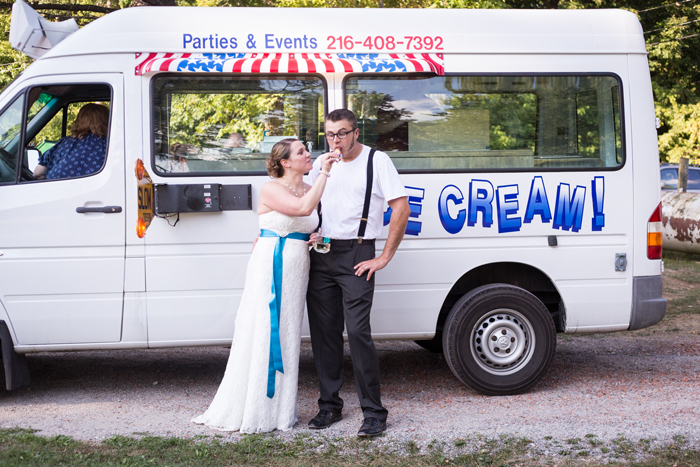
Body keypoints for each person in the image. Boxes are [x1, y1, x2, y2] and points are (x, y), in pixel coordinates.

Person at [192, 139, 337, 433]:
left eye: (308, 151)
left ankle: (281, 411)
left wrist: (319, 236)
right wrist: (325, 171)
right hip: (272, 265)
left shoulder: (311, 189)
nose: (309, 154)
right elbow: (301, 209)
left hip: (298, 267)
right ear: (285, 162)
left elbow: (312, 220)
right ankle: (256, 407)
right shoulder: (271, 187)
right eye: (301, 152)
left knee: (286, 331)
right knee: (264, 328)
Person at [305, 109, 410, 437]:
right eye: (330, 134)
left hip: (358, 254)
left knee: (359, 332)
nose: (335, 141)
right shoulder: (323, 163)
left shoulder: (376, 161)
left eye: (341, 134)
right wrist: (310, 230)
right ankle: (329, 406)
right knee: (324, 334)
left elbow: (401, 208)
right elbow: (306, 203)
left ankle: (374, 413)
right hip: (322, 254)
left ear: (355, 132)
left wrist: (383, 257)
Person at [33, 103, 109, 180]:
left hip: (61, 190)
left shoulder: (64, 143)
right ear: (107, 121)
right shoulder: (109, 144)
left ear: (79, 121)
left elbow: (38, 173)